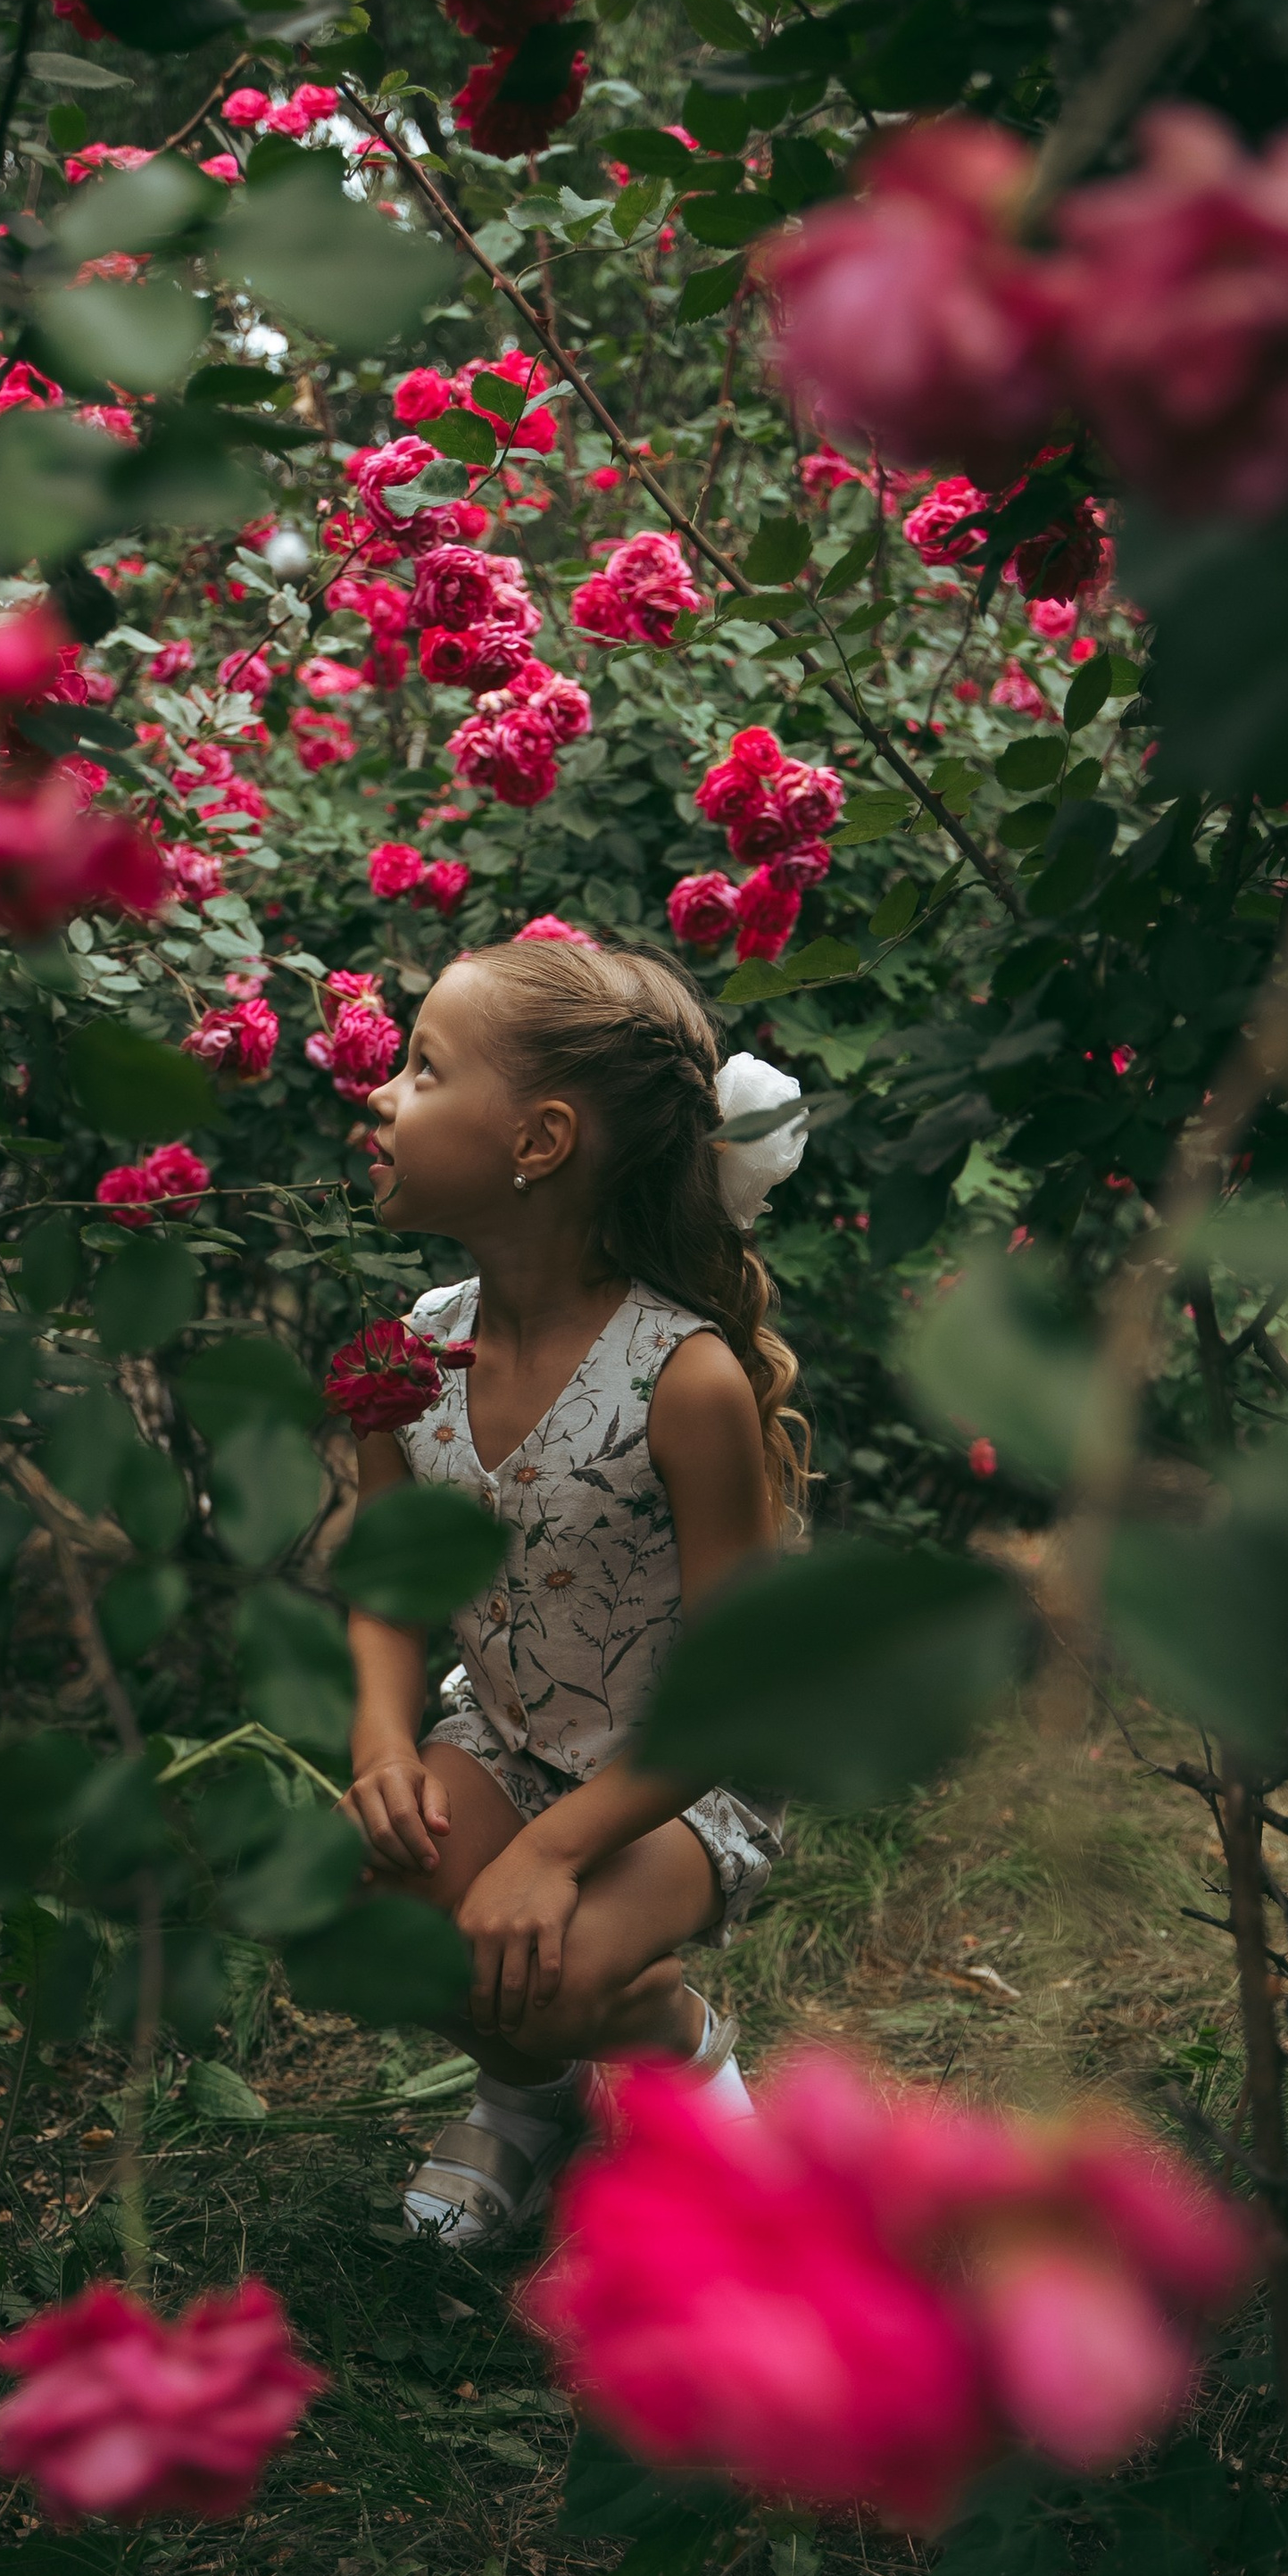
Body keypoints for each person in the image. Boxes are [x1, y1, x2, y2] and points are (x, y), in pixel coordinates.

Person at [337, 930, 810, 2245]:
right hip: (503, 1733)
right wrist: (383, 1737)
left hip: (681, 1777)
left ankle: (681, 2046)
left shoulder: (683, 1379)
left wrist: (550, 1852)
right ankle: (531, 2100)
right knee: (382, 1904)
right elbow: (385, 1582)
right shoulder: (405, 1359)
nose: (382, 1093)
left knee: (554, 1967)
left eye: (425, 1070)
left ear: (537, 1142)